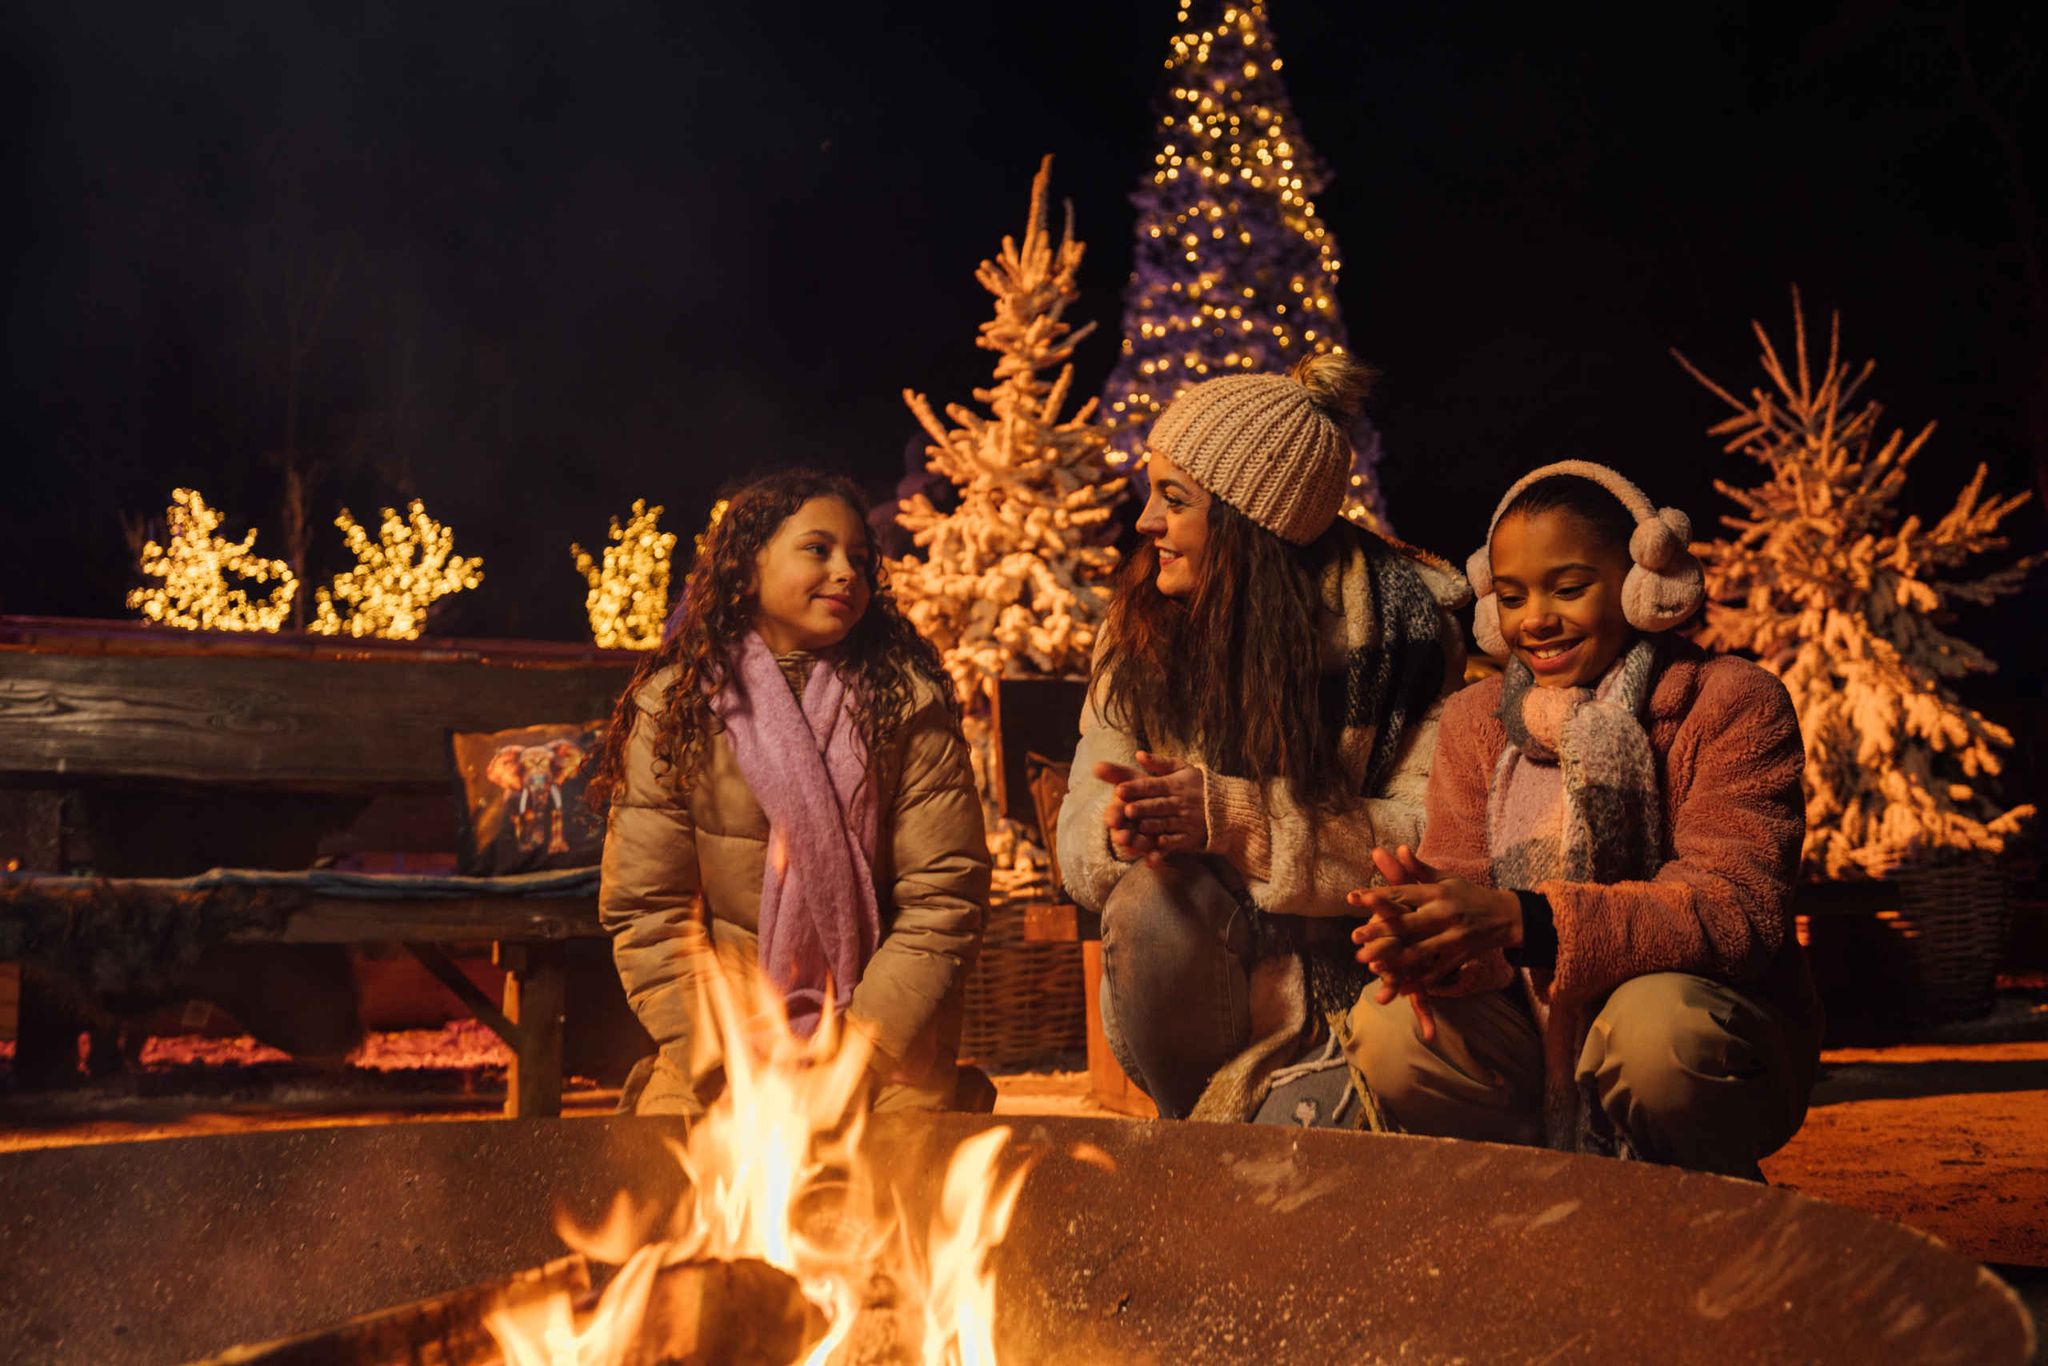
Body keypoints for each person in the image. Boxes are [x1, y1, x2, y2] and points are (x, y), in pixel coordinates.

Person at [1349, 460, 1822, 1176]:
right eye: (1511, 597)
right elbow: (1469, 892)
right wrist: (1429, 937)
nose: (1535, 618)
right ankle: (1531, 1206)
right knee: (1386, 1031)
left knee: (1653, 1035)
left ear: (1642, 588)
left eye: (1568, 589)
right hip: (1532, 1038)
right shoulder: (1477, 720)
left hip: (1706, 1031)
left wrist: (1525, 920)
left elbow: (1735, 912)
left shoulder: (1728, 703)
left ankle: (1702, 1213)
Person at [1057, 354, 1468, 1123]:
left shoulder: (1405, 632)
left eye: (1173, 500)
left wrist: (1233, 818)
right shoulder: (1141, 629)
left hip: (1355, 975)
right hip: (1197, 973)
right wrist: (1120, 828)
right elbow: (1083, 810)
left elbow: (1429, 833)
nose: (1146, 522)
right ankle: (1196, 1146)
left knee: (1304, 1172)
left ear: (1251, 523)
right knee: (1150, 901)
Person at [587, 468, 992, 1117]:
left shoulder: (908, 705)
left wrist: (858, 1056)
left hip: (885, 1049)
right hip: (726, 1044)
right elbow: (648, 909)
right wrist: (717, 1061)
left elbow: (944, 900)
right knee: (663, 1179)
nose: (847, 573)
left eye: (860, 560)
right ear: (746, 568)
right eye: (818, 549)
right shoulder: (675, 708)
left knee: (907, 1184)